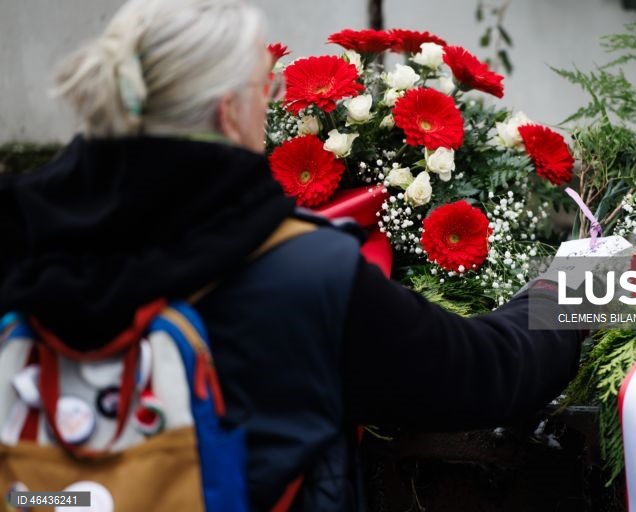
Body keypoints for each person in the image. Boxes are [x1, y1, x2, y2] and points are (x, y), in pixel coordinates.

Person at [0, 0, 584, 509]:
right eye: (267, 89)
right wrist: (587, 284)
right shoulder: (302, 273)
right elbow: (488, 373)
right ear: (230, 109)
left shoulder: (19, 239)